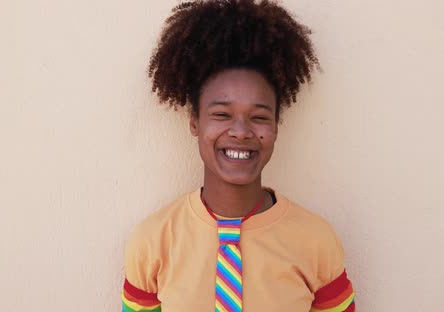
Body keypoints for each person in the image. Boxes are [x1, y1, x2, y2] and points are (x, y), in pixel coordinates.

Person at [121, 1, 355, 311]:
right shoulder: (153, 242)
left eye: (258, 117)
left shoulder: (317, 242)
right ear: (195, 121)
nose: (241, 131)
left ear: (275, 125)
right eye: (221, 114)